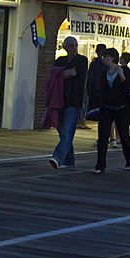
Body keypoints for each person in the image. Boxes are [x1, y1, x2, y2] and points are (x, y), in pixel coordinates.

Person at [91, 48, 130, 173]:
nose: (103, 59)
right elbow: (101, 89)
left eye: (105, 57)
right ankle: (100, 165)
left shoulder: (125, 70)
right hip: (106, 106)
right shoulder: (103, 73)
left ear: (111, 57)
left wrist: (121, 74)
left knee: (123, 134)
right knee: (103, 135)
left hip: (122, 107)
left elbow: (128, 87)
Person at [49, 36, 88, 169]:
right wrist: (61, 73)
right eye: (71, 45)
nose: (74, 48)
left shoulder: (82, 60)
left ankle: (58, 157)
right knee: (63, 132)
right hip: (59, 100)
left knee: (67, 131)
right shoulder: (60, 60)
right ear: (65, 46)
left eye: (76, 45)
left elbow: (70, 73)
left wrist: (60, 74)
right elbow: (53, 73)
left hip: (74, 100)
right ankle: (69, 160)